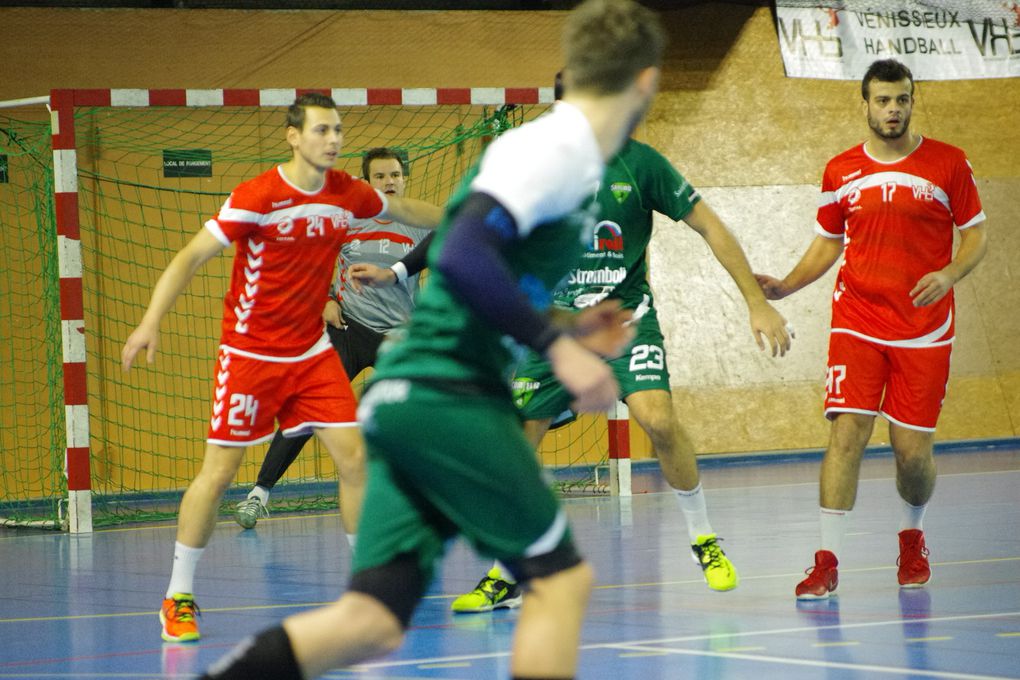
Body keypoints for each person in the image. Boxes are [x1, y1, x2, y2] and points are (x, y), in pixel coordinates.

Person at [199, 1, 664, 678]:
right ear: (644, 82)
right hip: (451, 397)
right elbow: (462, 250)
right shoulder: (560, 151)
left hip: (405, 399)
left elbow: (486, 277)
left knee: (373, 621)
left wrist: (572, 328)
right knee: (561, 582)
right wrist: (556, 346)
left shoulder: (557, 157)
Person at [355, 73, 793, 610]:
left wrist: (755, 300)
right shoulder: (532, 166)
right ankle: (508, 573)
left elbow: (711, 227)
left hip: (625, 321)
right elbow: (457, 225)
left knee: (656, 418)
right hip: (555, 325)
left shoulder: (641, 163)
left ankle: (703, 538)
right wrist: (391, 236)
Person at [121, 93, 442, 643]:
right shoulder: (259, 196)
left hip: (311, 351)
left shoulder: (349, 194)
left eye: (338, 130)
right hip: (251, 354)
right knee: (219, 474)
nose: (333, 139)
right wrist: (150, 321)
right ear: (294, 137)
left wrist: (479, 216)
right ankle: (178, 595)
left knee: (355, 457)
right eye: (322, 130)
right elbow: (190, 256)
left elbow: (411, 212)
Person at [754, 59, 987, 600]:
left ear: (912, 101)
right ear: (865, 103)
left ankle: (912, 536)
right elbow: (827, 243)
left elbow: (976, 235)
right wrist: (786, 287)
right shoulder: (840, 171)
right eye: (882, 100)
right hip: (857, 320)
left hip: (924, 329)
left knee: (911, 453)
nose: (892, 109)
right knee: (847, 432)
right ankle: (827, 561)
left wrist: (949, 272)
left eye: (901, 99)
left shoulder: (949, 164)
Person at [233, 147, 431, 529]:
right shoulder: (347, 221)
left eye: (395, 175)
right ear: (365, 182)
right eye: (380, 176)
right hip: (348, 330)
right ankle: (259, 494)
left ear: (404, 179)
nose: (389, 182)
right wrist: (325, 298)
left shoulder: (420, 224)